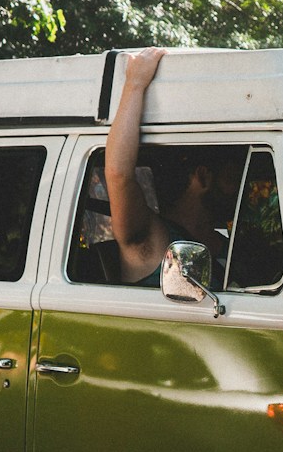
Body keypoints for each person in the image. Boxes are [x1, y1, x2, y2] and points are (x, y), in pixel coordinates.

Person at [105, 48, 244, 286]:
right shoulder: (153, 237)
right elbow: (119, 175)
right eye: (232, 179)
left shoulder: (221, 244)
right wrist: (135, 84)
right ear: (202, 177)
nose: (241, 191)